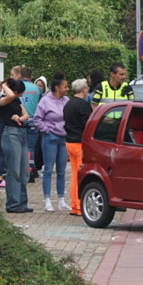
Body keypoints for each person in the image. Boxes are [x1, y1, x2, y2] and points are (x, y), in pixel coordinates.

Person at [33, 73, 70, 212]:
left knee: (61, 171)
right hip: (50, 138)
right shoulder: (45, 100)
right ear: (57, 87)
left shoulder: (66, 100)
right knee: (48, 170)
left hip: (63, 139)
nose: (67, 89)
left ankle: (61, 200)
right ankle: (47, 200)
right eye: (64, 86)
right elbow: (37, 119)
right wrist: (47, 130)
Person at [2, 77, 32, 212]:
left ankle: (22, 203)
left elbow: (26, 114)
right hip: (11, 134)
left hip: (21, 134)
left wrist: (19, 118)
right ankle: (13, 204)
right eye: (19, 93)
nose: (20, 96)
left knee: (24, 171)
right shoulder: (4, 100)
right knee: (14, 170)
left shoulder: (16, 100)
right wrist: (4, 85)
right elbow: (10, 95)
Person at [63, 79, 93, 215]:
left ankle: (74, 205)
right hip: (80, 143)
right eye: (86, 88)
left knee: (74, 175)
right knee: (82, 176)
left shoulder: (67, 104)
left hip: (69, 142)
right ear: (83, 90)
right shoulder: (83, 106)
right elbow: (87, 125)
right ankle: (80, 205)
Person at [18, 66, 42, 182]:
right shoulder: (37, 89)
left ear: (20, 76)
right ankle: (30, 170)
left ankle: (20, 170)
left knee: (19, 146)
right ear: (31, 76)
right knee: (30, 148)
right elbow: (40, 104)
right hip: (33, 120)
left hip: (19, 120)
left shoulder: (16, 87)